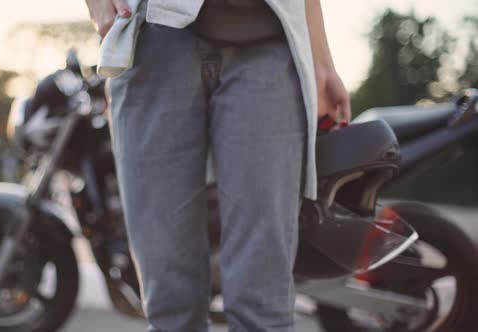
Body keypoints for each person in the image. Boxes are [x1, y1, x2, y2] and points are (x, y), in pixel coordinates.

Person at [84, 0, 351, 330]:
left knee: (263, 304)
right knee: (170, 304)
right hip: (152, 36)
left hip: (270, 40)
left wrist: (322, 62)